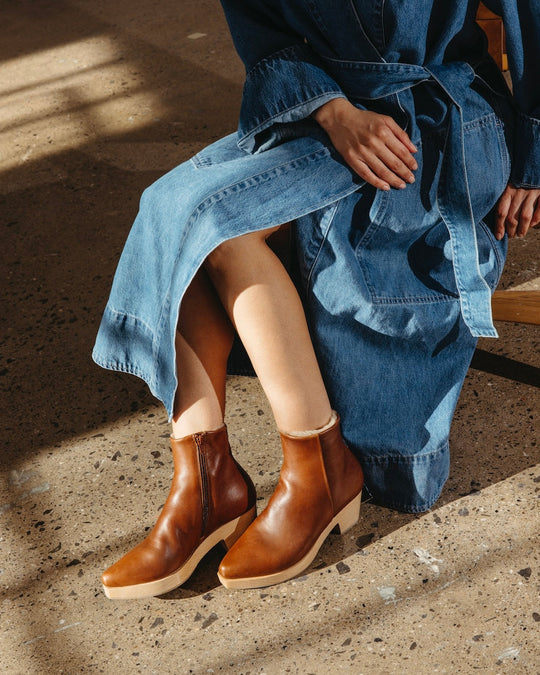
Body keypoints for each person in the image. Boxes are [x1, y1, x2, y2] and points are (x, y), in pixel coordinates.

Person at [93, 0, 540, 599]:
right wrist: (333, 112)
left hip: (432, 124)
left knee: (221, 232)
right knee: (170, 210)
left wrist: (535, 156)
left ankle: (318, 472)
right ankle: (203, 483)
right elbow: (262, 27)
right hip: (325, 115)